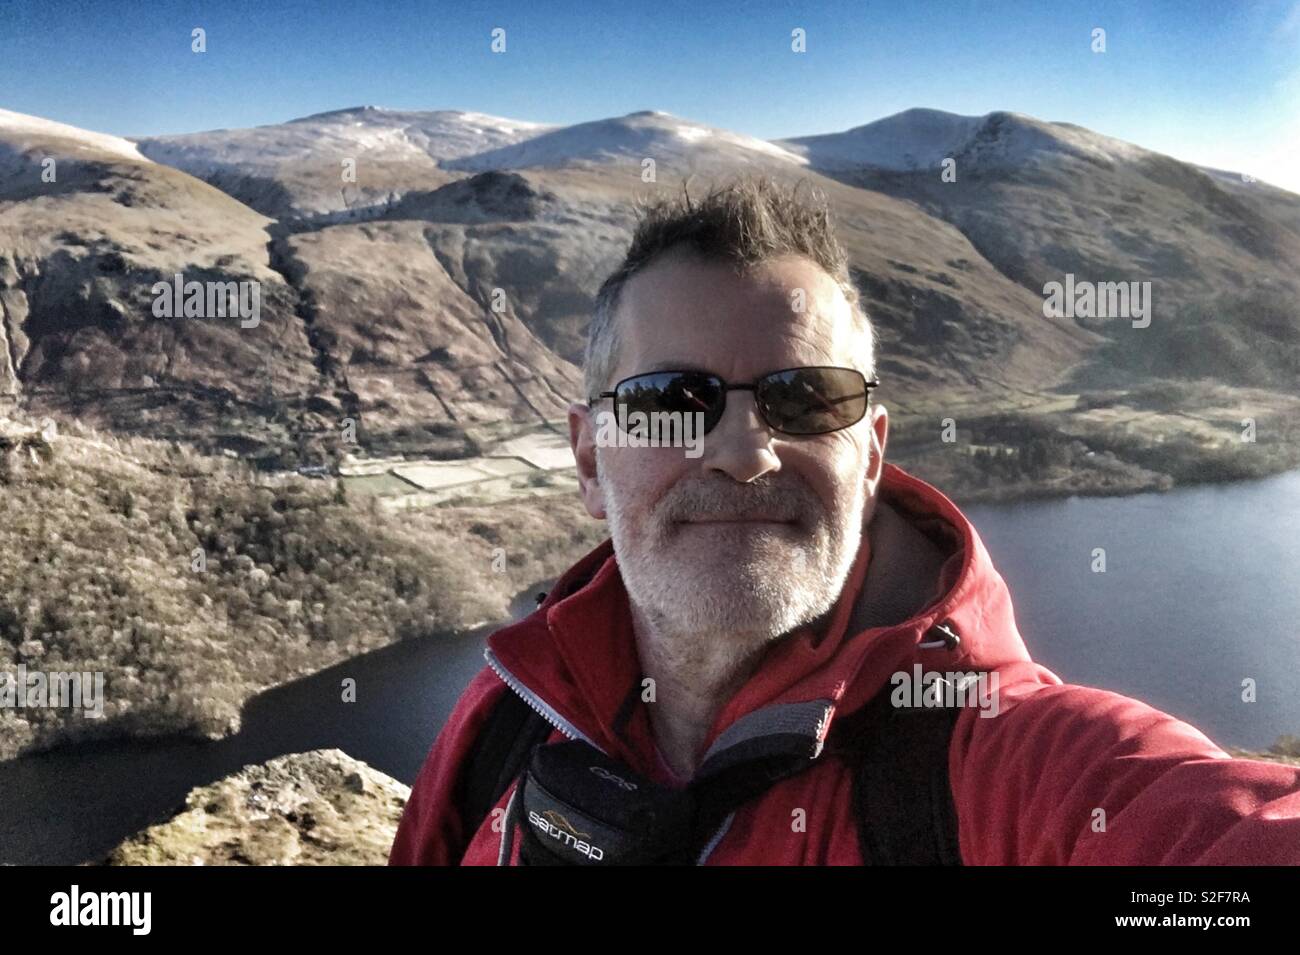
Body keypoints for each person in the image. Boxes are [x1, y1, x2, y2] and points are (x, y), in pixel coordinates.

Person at [389, 174, 1300, 865]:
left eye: (805, 398)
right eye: (673, 399)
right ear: (590, 457)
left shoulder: (993, 761)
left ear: (869, 455)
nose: (744, 452)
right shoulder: (508, 717)